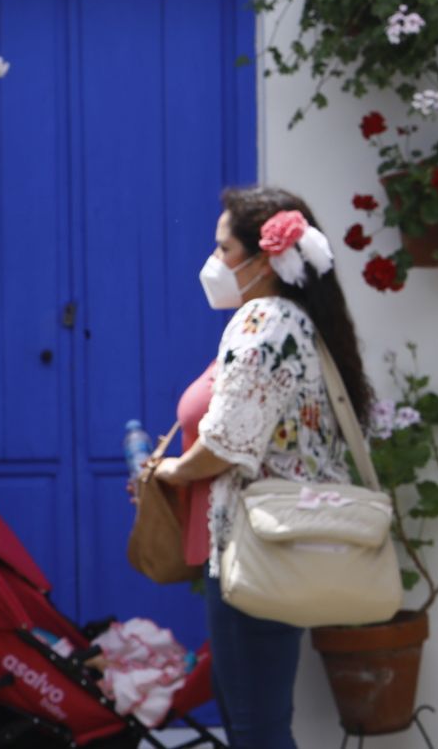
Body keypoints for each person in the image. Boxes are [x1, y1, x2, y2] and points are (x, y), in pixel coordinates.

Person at [154, 186, 373, 749]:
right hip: (281, 542)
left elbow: (228, 441)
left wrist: (176, 472)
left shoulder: (263, 322)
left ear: (263, 260)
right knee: (258, 718)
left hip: (257, 550)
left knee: (256, 729)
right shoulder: (300, 322)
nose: (214, 263)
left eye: (223, 249)